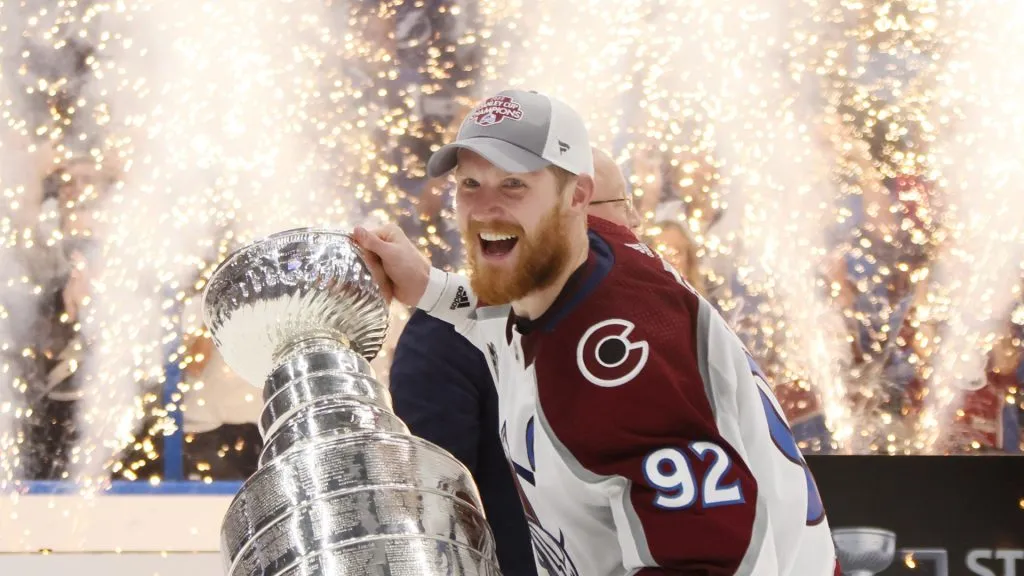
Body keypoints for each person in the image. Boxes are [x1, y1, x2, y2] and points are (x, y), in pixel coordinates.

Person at [355, 89, 839, 575]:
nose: (484, 209)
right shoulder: (586, 256)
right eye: (470, 184)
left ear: (579, 197)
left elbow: (711, 562)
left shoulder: (623, 374)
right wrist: (430, 287)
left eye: (514, 186)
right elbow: (515, 311)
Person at [389, 146, 639, 576]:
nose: (633, 222)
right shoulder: (443, 335)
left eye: (627, 205)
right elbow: (435, 510)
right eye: (617, 207)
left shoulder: (652, 322)